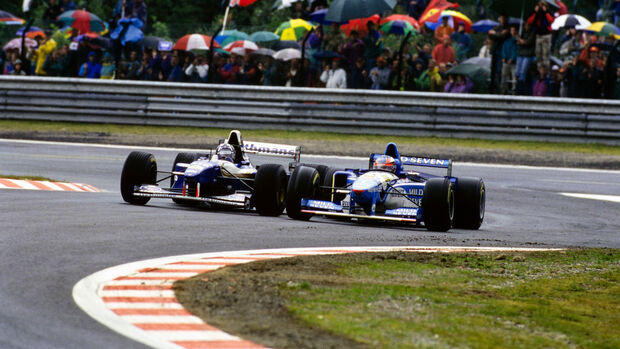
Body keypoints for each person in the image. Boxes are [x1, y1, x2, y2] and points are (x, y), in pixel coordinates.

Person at [527, 1, 554, 69]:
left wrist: (546, 12)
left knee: (545, 55)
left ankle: (546, 71)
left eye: (542, 6)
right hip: (538, 36)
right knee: (538, 55)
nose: (541, 7)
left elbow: (551, 21)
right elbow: (530, 21)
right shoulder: (535, 13)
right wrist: (536, 12)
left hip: (546, 36)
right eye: (539, 5)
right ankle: (540, 71)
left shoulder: (549, 13)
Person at [488, 14, 510, 92]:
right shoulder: (497, 27)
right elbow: (490, 35)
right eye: (501, 18)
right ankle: (491, 88)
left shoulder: (508, 28)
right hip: (494, 51)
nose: (502, 19)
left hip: (502, 52)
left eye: (504, 18)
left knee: (499, 69)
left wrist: (495, 33)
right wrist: (497, 34)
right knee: (493, 70)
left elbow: (503, 36)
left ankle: (499, 88)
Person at [516, 21, 536, 95]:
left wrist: (521, 41)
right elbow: (518, 41)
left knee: (523, 72)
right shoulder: (522, 32)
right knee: (517, 72)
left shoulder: (532, 33)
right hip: (521, 54)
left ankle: (522, 89)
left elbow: (527, 42)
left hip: (528, 55)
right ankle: (517, 88)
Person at [501, 26, 518, 94]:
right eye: (511, 30)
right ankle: (503, 88)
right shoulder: (507, 41)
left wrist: (512, 58)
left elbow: (516, 51)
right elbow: (504, 49)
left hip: (514, 62)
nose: (513, 32)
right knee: (504, 75)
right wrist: (504, 57)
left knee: (514, 76)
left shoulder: (517, 41)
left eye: (514, 30)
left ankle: (514, 88)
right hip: (506, 61)